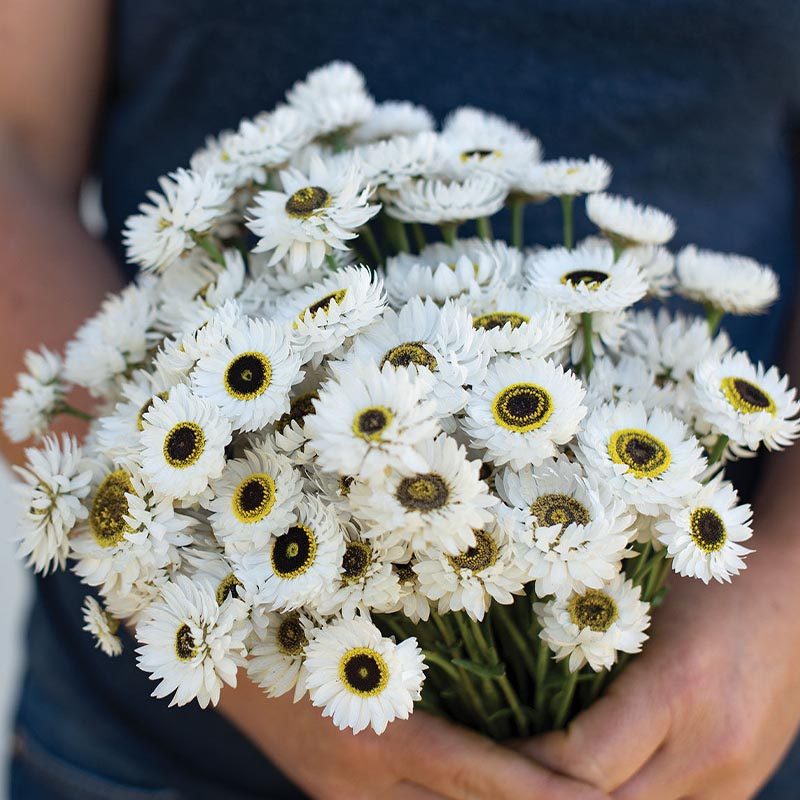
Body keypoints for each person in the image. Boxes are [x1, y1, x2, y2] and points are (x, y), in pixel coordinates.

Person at [2, 1, 800, 797]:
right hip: (159, 753)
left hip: (715, 724)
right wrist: (250, 646)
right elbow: (15, 140)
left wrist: (783, 613)